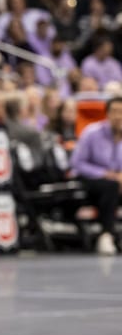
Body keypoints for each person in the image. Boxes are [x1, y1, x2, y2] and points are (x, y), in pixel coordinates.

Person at [69, 96, 122, 256]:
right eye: (115, 112)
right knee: (110, 186)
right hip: (89, 180)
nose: (119, 116)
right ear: (107, 114)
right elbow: (77, 163)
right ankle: (106, 234)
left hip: (117, 182)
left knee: (113, 186)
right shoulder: (92, 133)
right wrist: (106, 174)